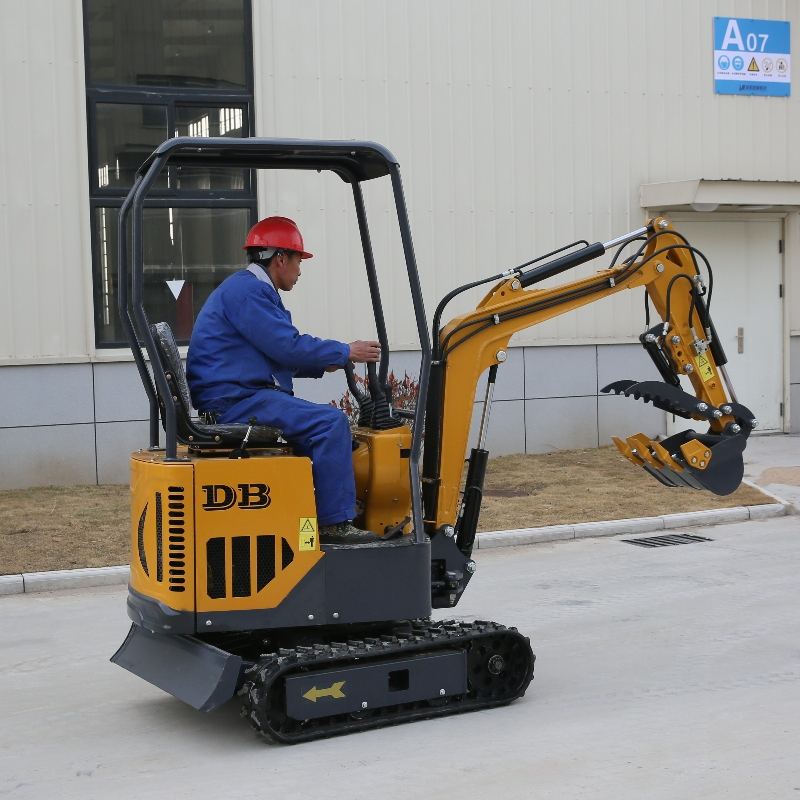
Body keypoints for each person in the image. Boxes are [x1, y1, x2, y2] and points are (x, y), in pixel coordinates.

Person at [186, 216, 381, 543]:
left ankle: (322, 510)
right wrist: (344, 351)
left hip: (235, 395)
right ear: (280, 259)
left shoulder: (244, 289)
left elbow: (274, 354)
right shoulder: (250, 292)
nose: (300, 271)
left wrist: (328, 361)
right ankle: (335, 523)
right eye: (298, 261)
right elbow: (287, 347)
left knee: (332, 436)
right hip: (237, 402)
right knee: (330, 424)